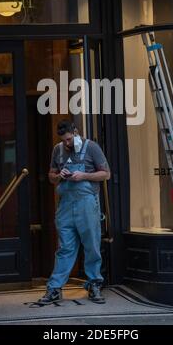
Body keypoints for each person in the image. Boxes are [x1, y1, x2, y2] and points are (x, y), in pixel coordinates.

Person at [38, 119, 110, 305]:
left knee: (91, 245)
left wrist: (84, 175)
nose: (67, 143)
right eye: (63, 140)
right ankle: (54, 288)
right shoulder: (58, 150)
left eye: (69, 139)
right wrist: (58, 176)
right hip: (66, 205)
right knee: (65, 248)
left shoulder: (91, 147)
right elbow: (51, 177)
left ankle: (94, 283)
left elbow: (106, 174)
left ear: (76, 132)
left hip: (87, 203)